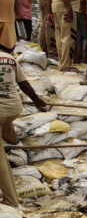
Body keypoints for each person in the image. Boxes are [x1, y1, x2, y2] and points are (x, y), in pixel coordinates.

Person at [0, 46, 47, 207]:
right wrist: (37, 101)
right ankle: (11, 138)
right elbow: (24, 85)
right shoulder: (9, 58)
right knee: (4, 121)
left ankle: (10, 200)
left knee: (0, 160)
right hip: (14, 108)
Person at [46, 0, 80, 72]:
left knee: (59, 36)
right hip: (66, 7)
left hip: (55, 6)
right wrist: (69, 8)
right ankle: (66, 65)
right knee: (68, 37)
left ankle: (62, 63)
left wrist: (49, 12)